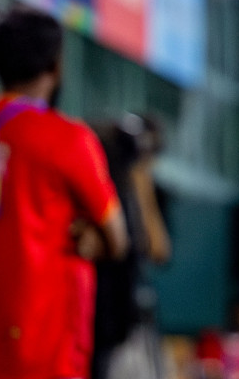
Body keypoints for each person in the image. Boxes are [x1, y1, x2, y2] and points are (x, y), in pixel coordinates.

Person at [0, 8, 129, 379]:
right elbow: (118, 238)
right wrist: (92, 236)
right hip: (47, 347)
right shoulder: (70, 139)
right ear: (56, 65)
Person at [92, 114, 172, 379]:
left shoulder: (147, 188)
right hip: (94, 307)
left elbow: (159, 249)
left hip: (126, 313)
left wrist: (141, 183)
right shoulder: (101, 179)